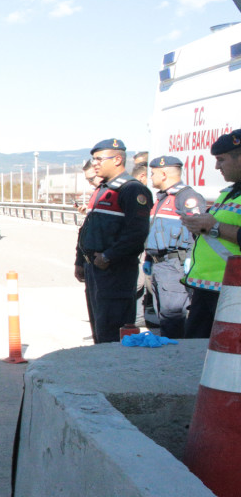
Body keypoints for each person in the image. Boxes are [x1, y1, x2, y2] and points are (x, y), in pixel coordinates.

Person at [74, 138, 153, 343]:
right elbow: (87, 229)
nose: (95, 164)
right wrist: (80, 261)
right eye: (94, 159)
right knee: (100, 329)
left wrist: (109, 256)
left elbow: (137, 234)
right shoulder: (102, 189)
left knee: (113, 330)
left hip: (115, 270)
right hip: (95, 268)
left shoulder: (131, 190)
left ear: (118, 159)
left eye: (99, 159)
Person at [182, 129, 241, 337]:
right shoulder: (230, 192)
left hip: (233, 293)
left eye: (221, 159)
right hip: (210, 290)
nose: (217, 166)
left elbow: (217, 228)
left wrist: (214, 227)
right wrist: (199, 226)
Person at [142, 155, 204, 338]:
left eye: (153, 173)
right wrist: (148, 258)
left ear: (163, 174)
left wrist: (191, 259)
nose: (150, 177)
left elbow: (198, 232)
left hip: (175, 266)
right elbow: (154, 233)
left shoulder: (186, 197)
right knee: (164, 317)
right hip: (160, 265)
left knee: (173, 318)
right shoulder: (162, 199)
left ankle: (176, 359)